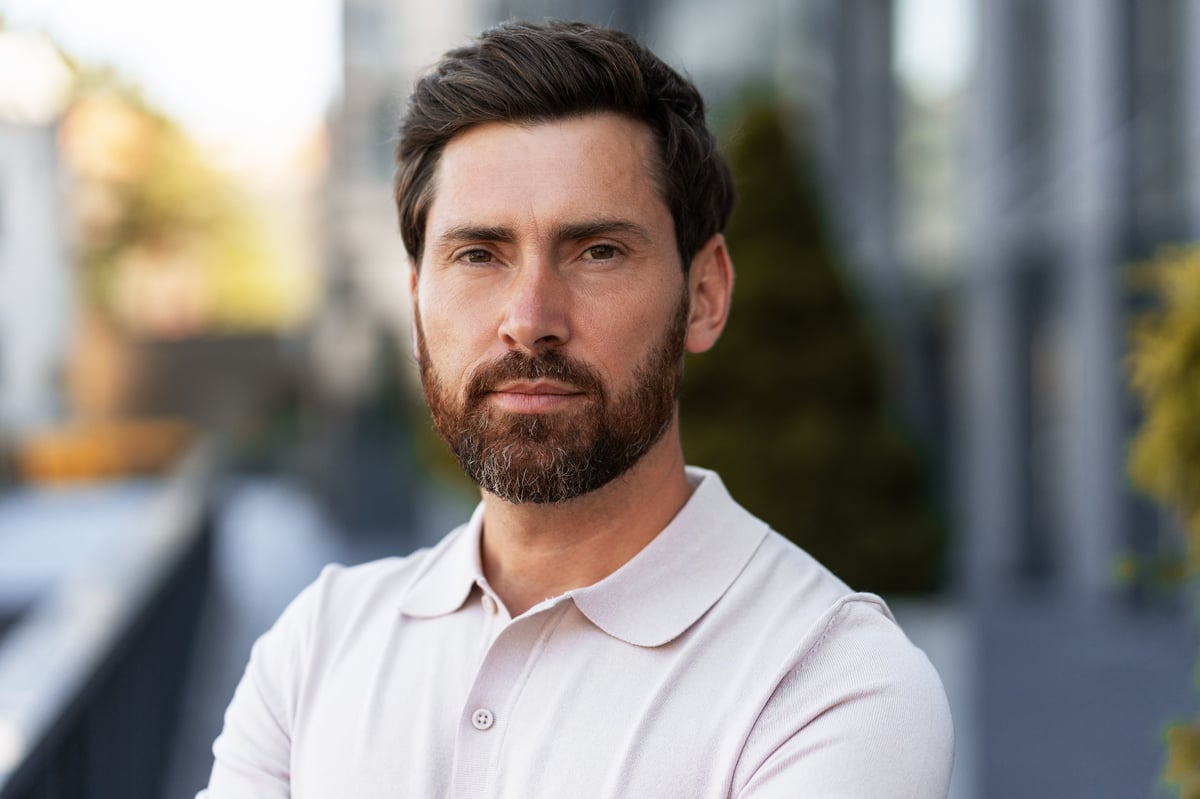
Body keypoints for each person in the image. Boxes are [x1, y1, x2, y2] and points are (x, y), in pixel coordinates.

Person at [200, 20, 954, 798]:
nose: (530, 317)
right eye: (479, 254)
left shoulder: (831, 685)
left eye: (597, 250)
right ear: (417, 297)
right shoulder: (315, 646)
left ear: (705, 295)